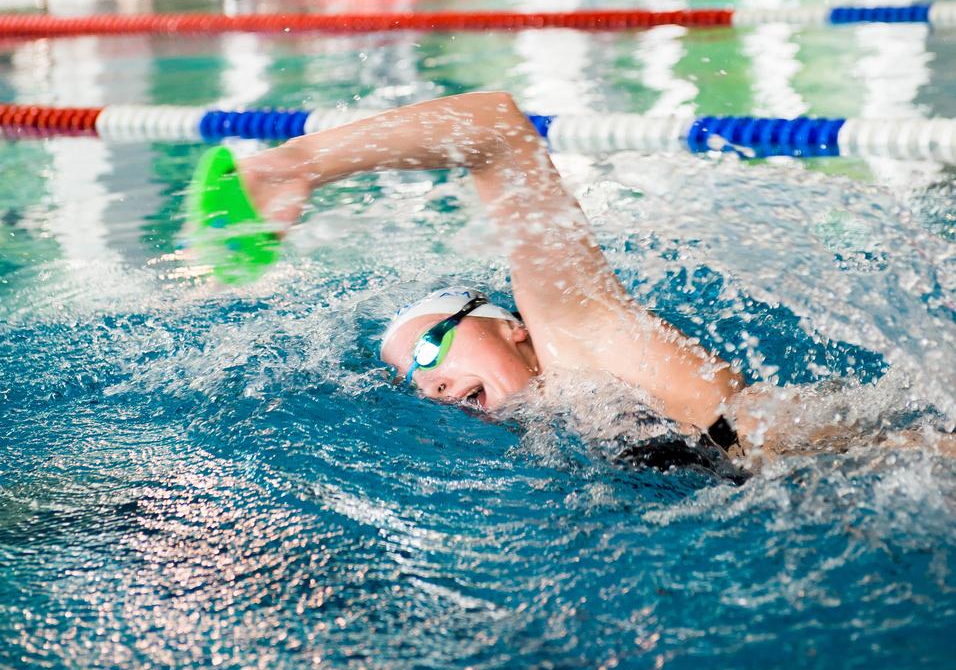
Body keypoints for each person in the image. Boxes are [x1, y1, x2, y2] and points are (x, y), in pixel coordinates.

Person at [236, 91, 952, 473]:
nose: (432, 384)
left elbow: (495, 128)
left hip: (876, 458)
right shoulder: (557, 417)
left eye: (432, 352)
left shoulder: (575, 330)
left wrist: (302, 164)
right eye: (416, 383)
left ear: (510, 326)